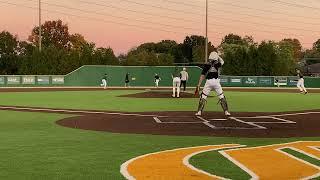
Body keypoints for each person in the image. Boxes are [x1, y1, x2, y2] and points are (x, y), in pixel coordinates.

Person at [195, 51, 231, 116]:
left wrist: (199, 84)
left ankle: (199, 112)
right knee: (221, 96)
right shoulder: (218, 64)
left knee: (203, 96)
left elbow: (202, 75)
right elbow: (223, 61)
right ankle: (226, 111)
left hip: (208, 82)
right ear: (216, 58)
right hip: (216, 82)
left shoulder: (206, 65)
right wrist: (218, 56)